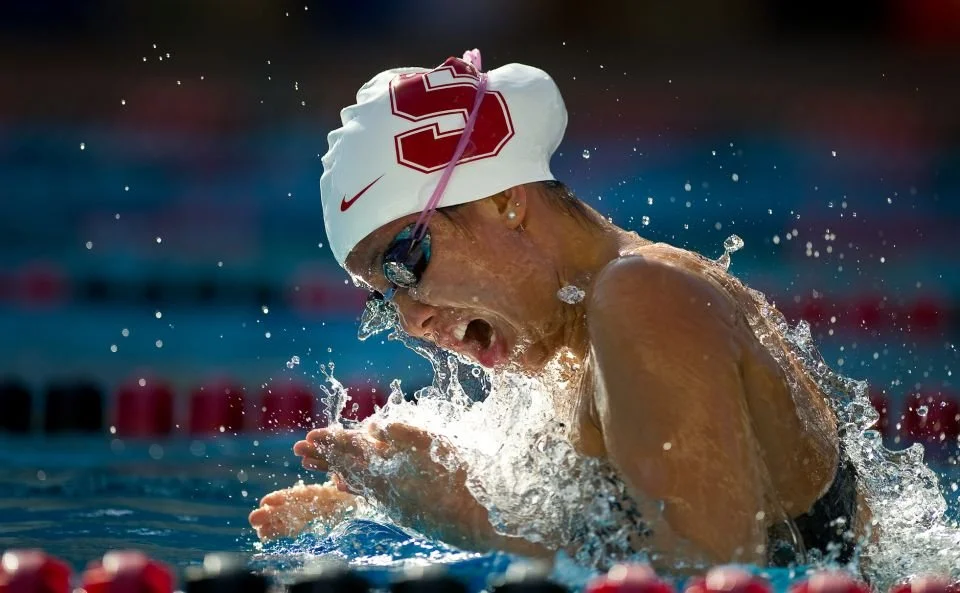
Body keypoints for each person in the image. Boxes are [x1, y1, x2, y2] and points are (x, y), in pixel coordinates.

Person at [248, 50, 869, 571]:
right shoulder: (580, 332)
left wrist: (466, 521)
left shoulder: (643, 295)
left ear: (503, 203)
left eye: (406, 261)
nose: (412, 320)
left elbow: (708, 577)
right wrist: (387, 503)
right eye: (384, 296)